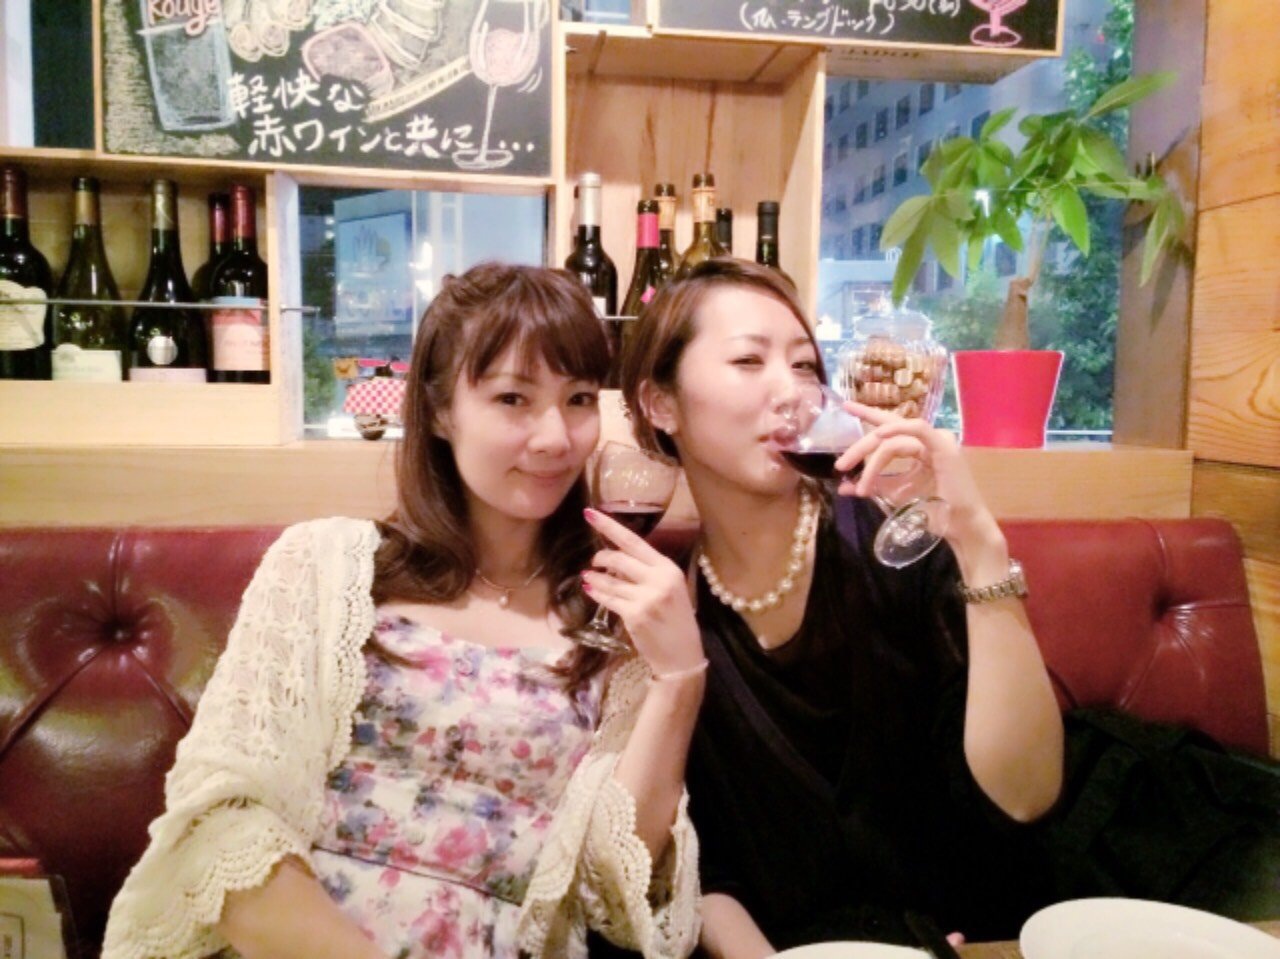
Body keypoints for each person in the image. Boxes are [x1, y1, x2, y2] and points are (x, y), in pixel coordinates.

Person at [102, 263, 706, 959]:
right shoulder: (325, 565)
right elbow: (223, 823)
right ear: (442, 411)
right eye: (513, 398)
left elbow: (609, 890)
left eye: (578, 399)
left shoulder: (610, 614)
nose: (555, 437)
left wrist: (679, 678)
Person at [618, 258, 1065, 957]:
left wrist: (980, 545)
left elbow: (1025, 794)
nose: (791, 391)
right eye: (748, 360)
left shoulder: (898, 550)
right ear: (660, 403)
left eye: (804, 366)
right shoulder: (671, 615)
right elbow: (699, 868)